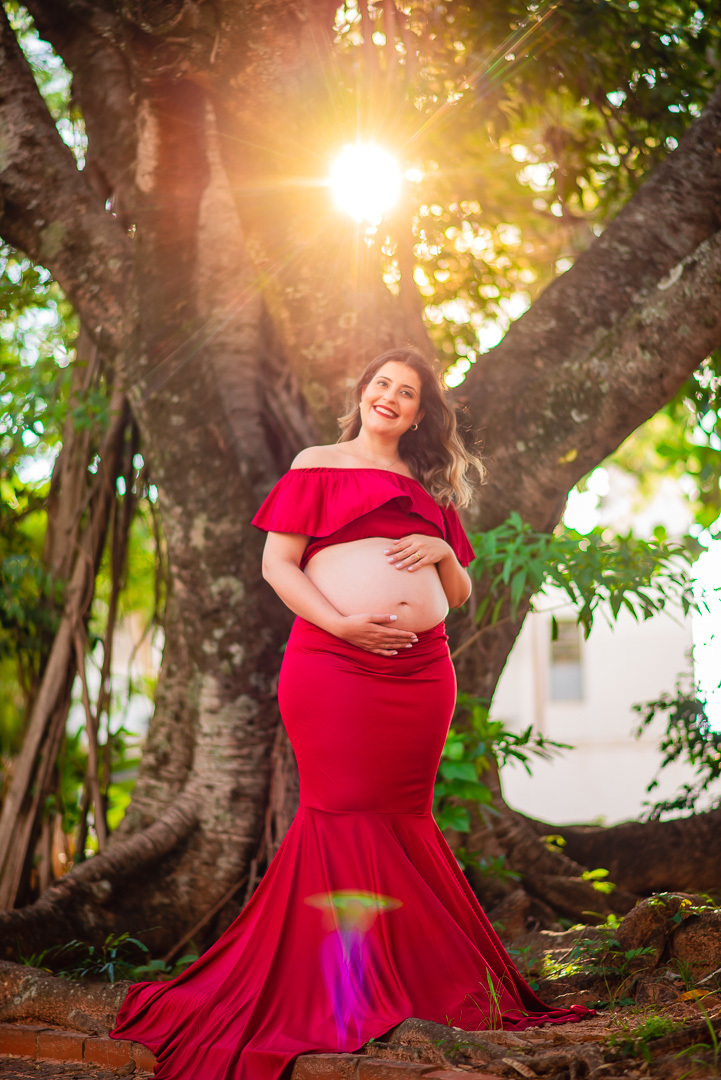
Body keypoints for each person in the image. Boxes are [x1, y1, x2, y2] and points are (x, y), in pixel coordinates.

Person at [109, 347, 592, 1080]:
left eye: (406, 393)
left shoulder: (427, 484)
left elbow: (458, 594)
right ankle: (337, 989)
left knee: (403, 819)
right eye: (381, 386)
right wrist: (343, 626)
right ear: (361, 394)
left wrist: (440, 547)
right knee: (341, 813)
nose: (390, 399)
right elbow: (278, 565)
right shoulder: (316, 461)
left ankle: (408, 981)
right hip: (332, 662)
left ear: (421, 412)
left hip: (421, 673)